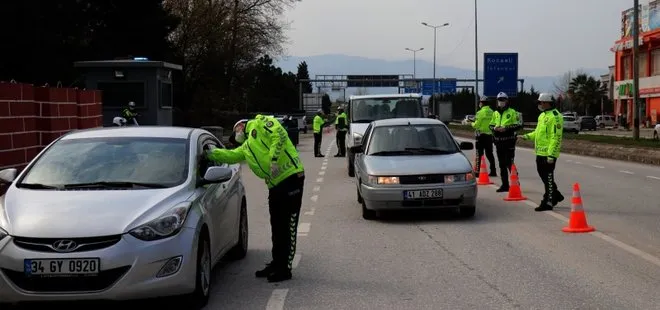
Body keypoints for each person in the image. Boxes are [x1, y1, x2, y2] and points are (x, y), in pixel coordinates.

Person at [205, 114, 305, 282]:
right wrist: (210, 154)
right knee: (277, 226)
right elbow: (230, 155)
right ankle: (276, 262)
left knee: (288, 226)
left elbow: (279, 135)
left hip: (291, 178)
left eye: (236, 131)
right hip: (275, 185)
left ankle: (285, 269)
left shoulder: (262, 122)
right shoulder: (246, 147)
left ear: (241, 126)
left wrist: (274, 159)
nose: (236, 136)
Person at [520, 93, 565, 211]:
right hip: (539, 152)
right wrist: (526, 136)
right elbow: (538, 132)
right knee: (544, 177)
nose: (539, 105)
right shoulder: (542, 115)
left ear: (546, 103)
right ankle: (556, 195)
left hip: (548, 154)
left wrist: (551, 154)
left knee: (548, 178)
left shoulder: (556, 117)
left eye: (540, 102)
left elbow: (556, 137)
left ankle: (548, 201)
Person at [489, 92, 522, 192]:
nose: (501, 102)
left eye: (503, 100)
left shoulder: (512, 112)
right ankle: (505, 185)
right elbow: (490, 125)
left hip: (509, 142)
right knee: (501, 164)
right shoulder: (495, 113)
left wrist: (506, 128)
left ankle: (515, 182)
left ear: (507, 101)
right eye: (499, 100)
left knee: (509, 163)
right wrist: (494, 128)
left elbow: (518, 125)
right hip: (498, 142)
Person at [472, 96, 497, 177]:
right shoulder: (492, 112)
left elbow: (476, 125)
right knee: (490, 154)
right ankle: (493, 171)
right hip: (489, 136)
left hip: (481, 136)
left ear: (482, 103)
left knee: (479, 154)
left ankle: (478, 172)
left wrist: (471, 123)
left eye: (480, 102)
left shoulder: (480, 113)